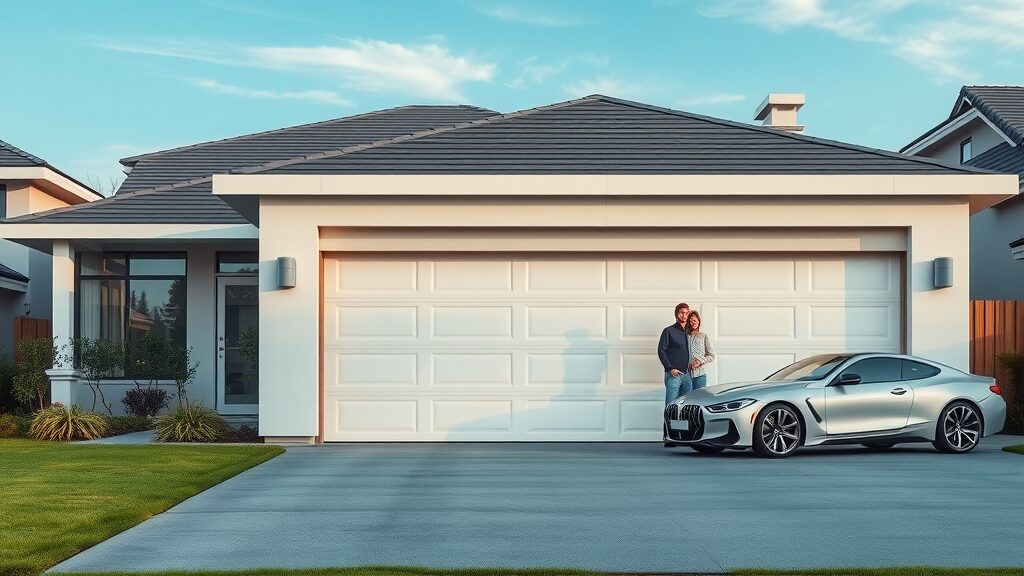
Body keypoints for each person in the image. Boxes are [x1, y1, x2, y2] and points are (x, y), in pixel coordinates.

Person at [657, 303, 692, 405]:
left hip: (688, 376)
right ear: (676, 314)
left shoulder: (691, 332)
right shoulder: (668, 331)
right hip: (673, 375)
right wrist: (670, 368)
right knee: (671, 406)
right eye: (681, 313)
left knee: (686, 407)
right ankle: (668, 422)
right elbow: (661, 350)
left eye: (686, 313)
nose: (684, 315)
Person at [685, 311, 715, 390]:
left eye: (695, 320)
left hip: (700, 376)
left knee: (699, 401)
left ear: (698, 321)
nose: (693, 322)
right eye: (691, 321)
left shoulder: (703, 336)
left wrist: (700, 361)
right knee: (686, 400)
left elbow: (711, 355)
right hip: (686, 376)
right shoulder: (684, 336)